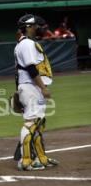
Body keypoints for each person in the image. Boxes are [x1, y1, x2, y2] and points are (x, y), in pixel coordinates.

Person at [14, 14, 59, 171]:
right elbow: (31, 68)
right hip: (32, 87)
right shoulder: (26, 44)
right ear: (28, 27)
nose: (39, 28)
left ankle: (42, 158)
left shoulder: (26, 43)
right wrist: (43, 87)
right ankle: (25, 160)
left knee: (38, 124)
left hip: (31, 88)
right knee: (31, 123)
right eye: (36, 25)